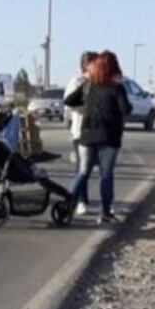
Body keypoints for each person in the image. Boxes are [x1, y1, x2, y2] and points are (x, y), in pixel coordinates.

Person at [65, 51, 132, 224]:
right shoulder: (117, 88)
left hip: (87, 135)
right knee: (106, 175)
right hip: (110, 137)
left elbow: (70, 101)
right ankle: (105, 213)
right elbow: (126, 110)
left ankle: (67, 204)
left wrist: (87, 102)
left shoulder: (88, 86)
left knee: (83, 172)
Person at [65, 51, 97, 215]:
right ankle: (78, 201)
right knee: (82, 168)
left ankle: (80, 199)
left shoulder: (98, 82)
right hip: (80, 130)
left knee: (88, 168)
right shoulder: (77, 81)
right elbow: (69, 104)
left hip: (96, 131)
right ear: (85, 65)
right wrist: (88, 108)